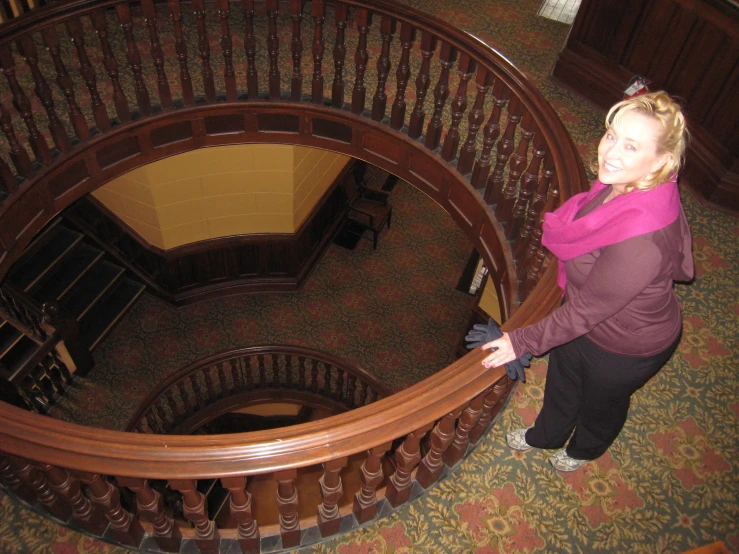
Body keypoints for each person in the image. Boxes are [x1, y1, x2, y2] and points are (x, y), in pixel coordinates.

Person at [480, 91, 694, 472]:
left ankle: (584, 450)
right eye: (611, 135)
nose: (610, 153)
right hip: (585, 316)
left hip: (625, 347)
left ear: (660, 162)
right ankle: (544, 436)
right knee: (562, 383)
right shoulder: (627, 185)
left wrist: (521, 340)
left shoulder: (640, 241)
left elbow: (586, 312)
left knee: (601, 405)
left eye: (631, 146)